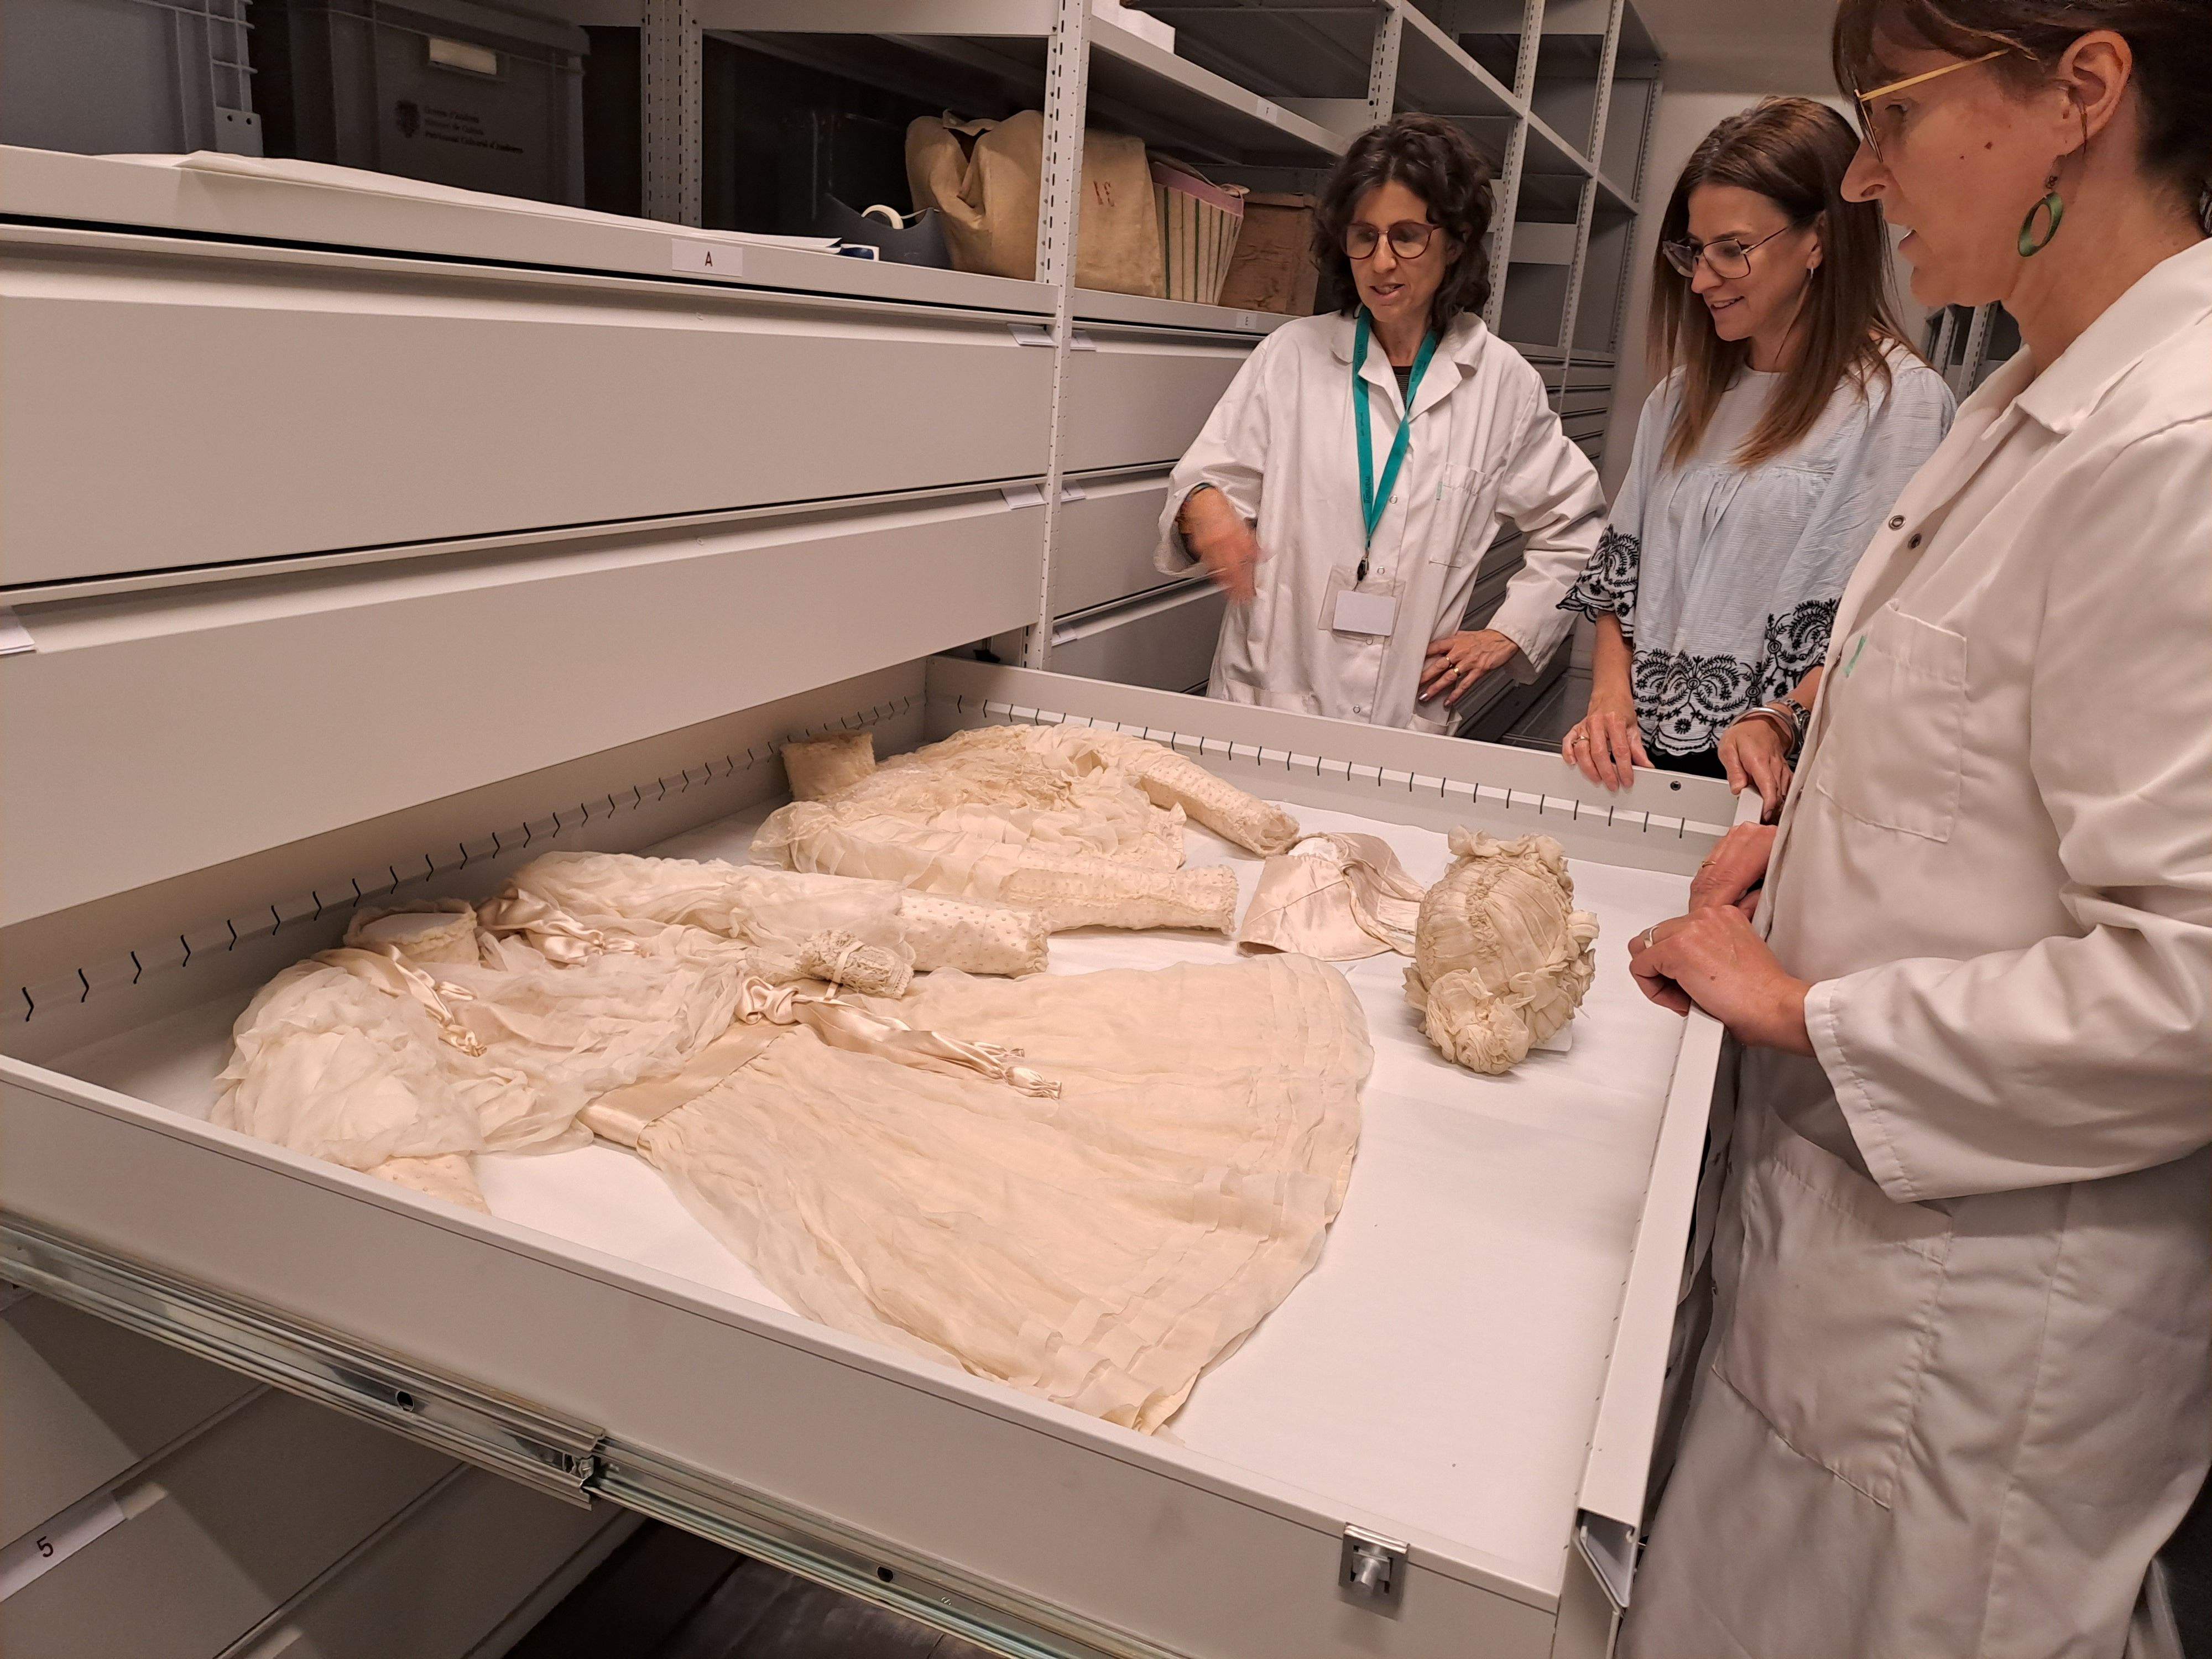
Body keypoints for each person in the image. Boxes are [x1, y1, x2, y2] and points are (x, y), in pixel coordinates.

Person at [1619, 2, 2212, 1655]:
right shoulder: (2028, 404)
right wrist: (1813, 821)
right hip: (1850, 1265)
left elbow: (2191, 981)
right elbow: (2004, 762)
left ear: (2081, 94)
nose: (1867, 175)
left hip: (1970, 1334)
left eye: (1891, 112)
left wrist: (1805, 1008)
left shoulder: (2177, 449)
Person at [1559, 97, 1953, 804]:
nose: (1701, 279)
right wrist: (1608, 698)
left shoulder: (1897, 404)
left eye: (1731, 249)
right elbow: (1620, 580)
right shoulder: (1679, 399)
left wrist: (1782, 718)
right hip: (1642, 761)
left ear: (1818, 240)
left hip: (1778, 774)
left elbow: (1887, 620)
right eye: (1693, 250)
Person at [1157, 114, 1605, 733]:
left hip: (1403, 708)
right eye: (1364, 236)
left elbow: (1576, 527)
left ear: (1456, 242)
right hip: (1269, 695)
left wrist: (1509, 633)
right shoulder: (1292, 356)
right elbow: (1206, 481)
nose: (1381, 262)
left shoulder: (1500, 384)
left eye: (1407, 236)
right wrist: (1203, 508)